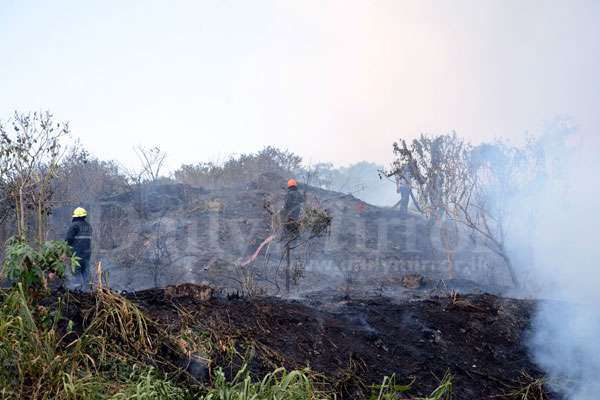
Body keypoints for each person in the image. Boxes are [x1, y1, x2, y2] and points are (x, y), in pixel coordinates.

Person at [65, 207, 93, 291]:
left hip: (76, 254)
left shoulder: (74, 225)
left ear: (75, 216)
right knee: (86, 272)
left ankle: (77, 291)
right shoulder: (88, 226)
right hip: (87, 254)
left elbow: (68, 239)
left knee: (76, 272)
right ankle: (87, 291)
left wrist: (65, 250)